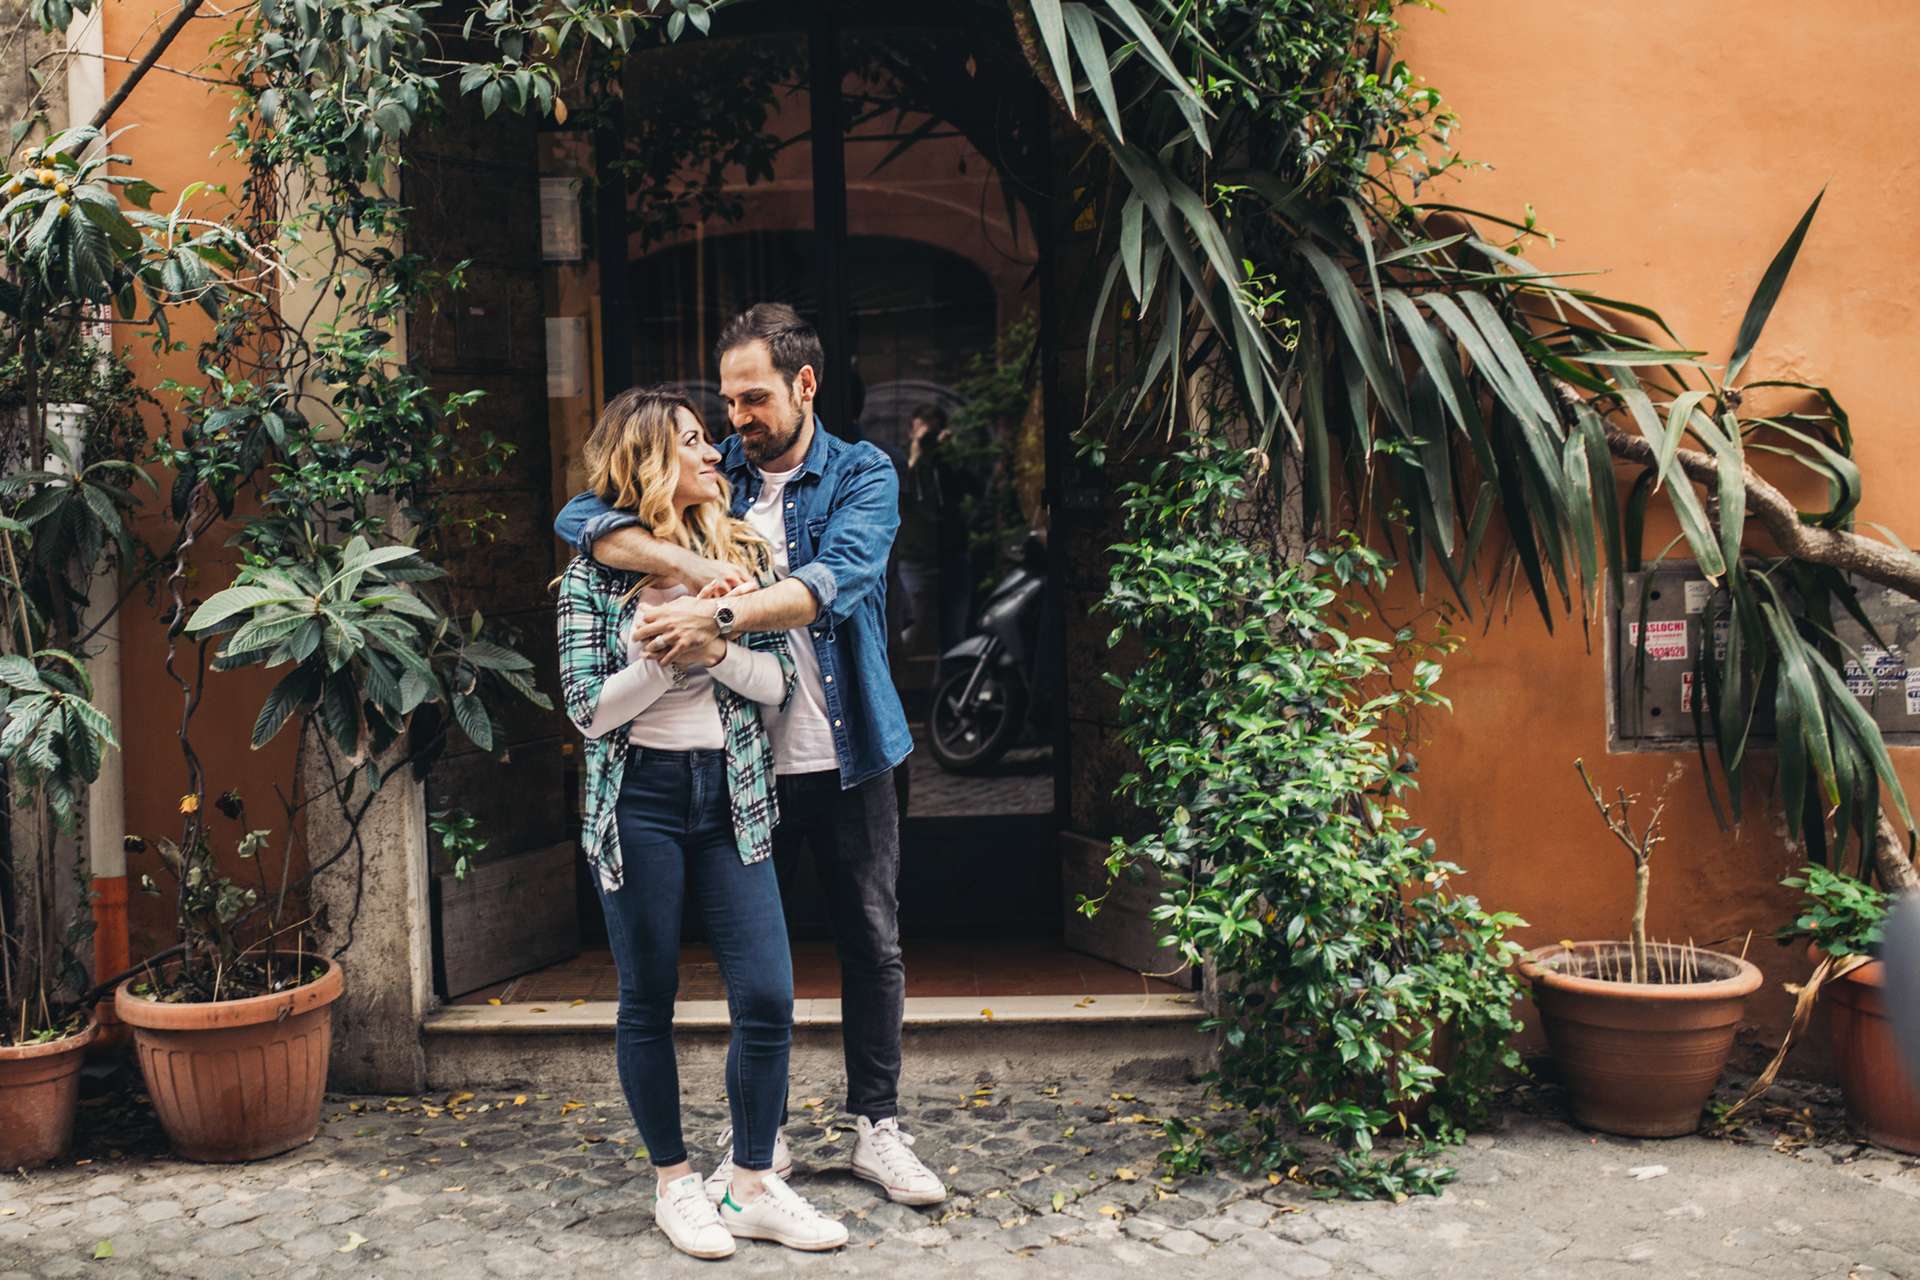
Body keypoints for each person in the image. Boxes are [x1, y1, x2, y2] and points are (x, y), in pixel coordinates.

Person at [555, 303, 947, 1209]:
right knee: (755, 971)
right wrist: (696, 573)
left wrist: (716, 617)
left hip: (849, 751)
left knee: (871, 938)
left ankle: (876, 1127)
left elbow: (831, 583)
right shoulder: (714, 469)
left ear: (805, 386)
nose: (737, 420)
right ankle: (755, 1141)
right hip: (743, 762)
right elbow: (586, 512)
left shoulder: (863, 473)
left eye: (754, 399)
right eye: (728, 403)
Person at [555, 385, 850, 1259]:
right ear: (650, 460)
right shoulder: (590, 575)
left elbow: (778, 689)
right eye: (692, 441)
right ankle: (675, 1185)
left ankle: (753, 1182)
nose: (714, 452)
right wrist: (657, 659)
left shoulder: (743, 561)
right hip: (637, 802)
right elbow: (585, 712)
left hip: (733, 799)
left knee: (767, 995)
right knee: (647, 997)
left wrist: (714, 646)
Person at [899, 402, 977, 654]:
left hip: (952, 555)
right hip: (916, 558)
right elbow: (898, 500)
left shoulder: (948, 462)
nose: (929, 441)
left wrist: (951, 455)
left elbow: (974, 487)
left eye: (934, 433)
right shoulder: (902, 462)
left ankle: (950, 689)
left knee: (954, 635)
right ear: (912, 433)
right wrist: (914, 459)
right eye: (923, 434)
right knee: (908, 633)